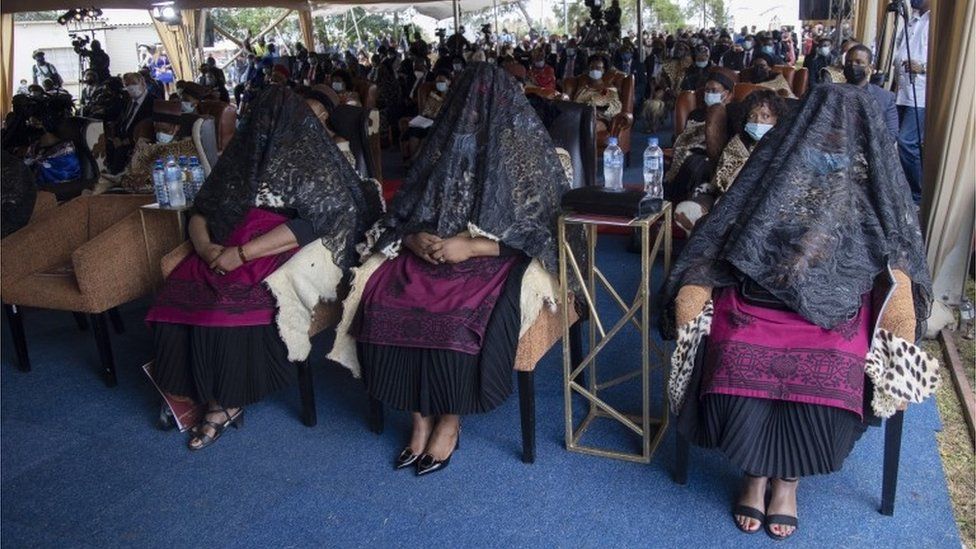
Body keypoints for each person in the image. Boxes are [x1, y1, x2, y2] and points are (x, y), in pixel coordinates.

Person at [665, 83, 939, 541]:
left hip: (836, 304)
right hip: (759, 290)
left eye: (842, 128)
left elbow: (896, 249)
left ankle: (788, 482)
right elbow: (730, 223)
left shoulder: (873, 180)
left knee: (834, 365)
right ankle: (753, 473)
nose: (830, 135)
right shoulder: (776, 160)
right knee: (732, 349)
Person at [333, 64, 570, 476]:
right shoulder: (441, 150)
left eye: (483, 105)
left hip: (492, 255)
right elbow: (405, 211)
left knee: (456, 316)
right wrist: (413, 239)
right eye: (464, 102)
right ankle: (419, 417)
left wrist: (473, 246)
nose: (471, 113)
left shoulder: (525, 154)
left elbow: (545, 233)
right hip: (433, 249)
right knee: (389, 299)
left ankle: (450, 420)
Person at [146, 85, 383, 450]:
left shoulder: (317, 162)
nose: (272, 127)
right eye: (264, 119)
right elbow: (202, 211)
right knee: (177, 293)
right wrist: (208, 248)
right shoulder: (244, 158)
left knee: (227, 301)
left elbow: (315, 223)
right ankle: (190, 388)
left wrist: (241, 254)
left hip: (274, 244)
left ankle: (226, 401)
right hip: (223, 241)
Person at [673, 90, 788, 235]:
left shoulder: (785, 146)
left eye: (765, 116)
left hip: (770, 203)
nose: (757, 122)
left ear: (776, 120)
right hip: (735, 201)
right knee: (689, 210)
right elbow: (725, 179)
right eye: (752, 116)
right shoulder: (738, 144)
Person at [663, 71, 737, 204]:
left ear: (727, 94)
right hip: (688, 151)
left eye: (714, 90)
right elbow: (684, 138)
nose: (709, 94)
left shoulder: (732, 114)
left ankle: (692, 203)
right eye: (707, 90)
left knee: (697, 165)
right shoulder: (695, 114)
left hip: (716, 156)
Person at [895, 0, 930, 204]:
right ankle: (903, 189)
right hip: (902, 91)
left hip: (920, 93)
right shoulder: (912, 20)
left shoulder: (933, 22)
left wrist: (922, 68)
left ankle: (917, 196)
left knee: (907, 142)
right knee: (896, 142)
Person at [844, 44, 899, 139]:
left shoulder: (885, 98)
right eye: (849, 62)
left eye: (859, 62)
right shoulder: (833, 93)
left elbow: (891, 134)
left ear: (870, 68)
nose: (853, 66)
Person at [107, 72, 154, 174]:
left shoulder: (153, 101)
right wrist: (115, 137)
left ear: (143, 83)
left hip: (136, 145)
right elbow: (121, 121)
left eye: (133, 83)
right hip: (119, 143)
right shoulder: (128, 102)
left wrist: (125, 142)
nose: (131, 87)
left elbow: (150, 129)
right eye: (127, 85)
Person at [400, 69, 452, 162]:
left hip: (444, 123)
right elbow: (427, 112)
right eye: (437, 82)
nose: (439, 84)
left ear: (449, 82)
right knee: (414, 132)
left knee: (427, 136)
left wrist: (444, 96)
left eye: (442, 82)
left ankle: (415, 159)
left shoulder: (453, 95)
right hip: (429, 121)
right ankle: (414, 160)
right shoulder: (434, 94)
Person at [571, 55, 622, 134]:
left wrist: (599, 113)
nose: (594, 70)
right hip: (579, 117)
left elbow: (615, 108)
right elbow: (575, 104)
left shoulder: (609, 89)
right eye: (592, 68)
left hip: (598, 120)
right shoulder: (584, 89)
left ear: (603, 70)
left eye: (598, 68)